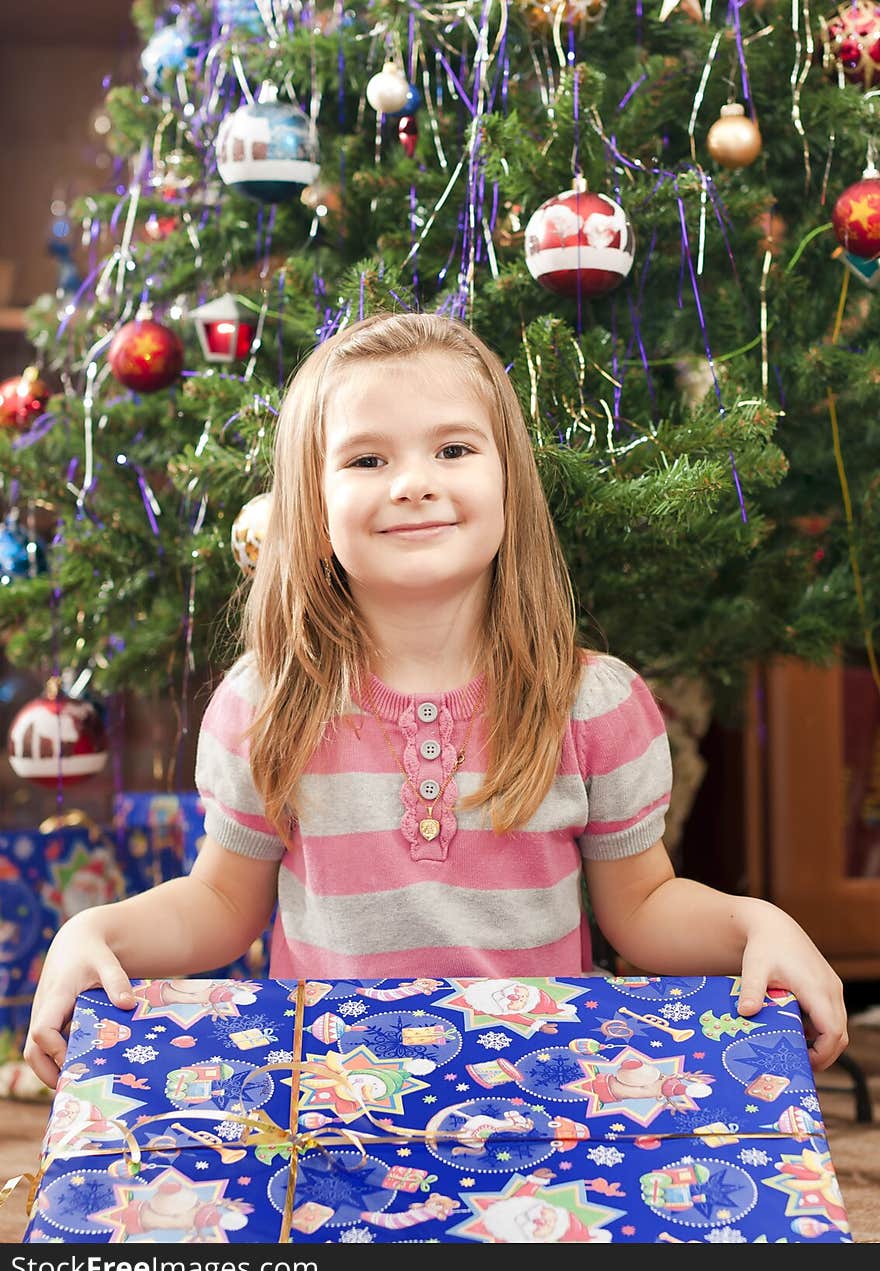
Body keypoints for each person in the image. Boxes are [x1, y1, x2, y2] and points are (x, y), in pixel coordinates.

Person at [23, 311, 847, 1089]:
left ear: (509, 480)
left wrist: (753, 925)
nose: (414, 483)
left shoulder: (593, 703)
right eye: (367, 459)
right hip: (334, 1104)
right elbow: (218, 904)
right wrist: (95, 930)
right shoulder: (265, 703)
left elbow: (643, 909)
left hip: (541, 1097)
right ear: (311, 507)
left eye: (453, 449)